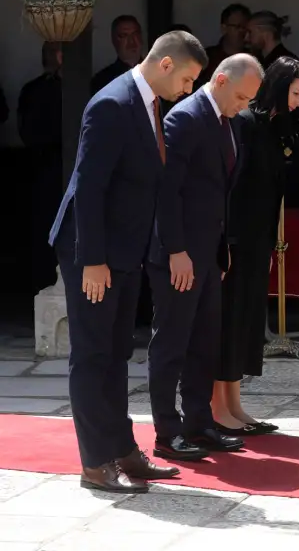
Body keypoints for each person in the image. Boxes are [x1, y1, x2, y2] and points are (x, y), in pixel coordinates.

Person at [48, 30, 205, 493]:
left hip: (124, 251)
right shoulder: (112, 104)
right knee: (93, 356)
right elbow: (89, 187)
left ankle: (122, 449)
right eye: (188, 79)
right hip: (93, 252)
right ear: (166, 65)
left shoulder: (149, 104)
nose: (188, 91)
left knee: (117, 353)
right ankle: (95, 463)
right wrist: (92, 260)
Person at [147, 54, 264, 462]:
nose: (244, 106)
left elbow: (221, 190)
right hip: (178, 254)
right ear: (220, 80)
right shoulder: (185, 118)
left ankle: (199, 423)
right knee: (172, 342)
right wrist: (175, 250)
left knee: (204, 341)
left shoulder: (228, 122)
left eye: (249, 100)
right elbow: (166, 192)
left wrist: (221, 248)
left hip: (209, 253)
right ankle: (167, 431)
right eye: (241, 97)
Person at [214, 57, 299, 434]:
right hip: (237, 237)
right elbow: (230, 186)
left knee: (247, 321)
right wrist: (226, 241)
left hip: (259, 237)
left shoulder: (275, 128)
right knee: (229, 319)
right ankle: (217, 407)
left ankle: (234, 404)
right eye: (295, 94)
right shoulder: (244, 123)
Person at [18, 42, 64, 292]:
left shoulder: (78, 86)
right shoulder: (34, 90)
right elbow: (26, 131)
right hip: (43, 171)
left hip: (73, 169)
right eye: (50, 50)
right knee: (43, 232)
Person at [199, 3, 252, 87]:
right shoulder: (207, 58)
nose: (242, 31)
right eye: (238, 27)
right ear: (224, 28)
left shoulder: (254, 60)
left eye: (245, 27)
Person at [90, 15, 144, 95]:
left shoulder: (157, 73)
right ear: (114, 40)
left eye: (135, 34)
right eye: (124, 35)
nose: (131, 41)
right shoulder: (102, 81)